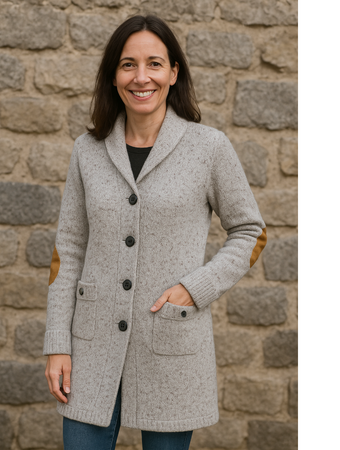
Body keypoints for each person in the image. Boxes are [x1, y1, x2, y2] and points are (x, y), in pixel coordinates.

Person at [43, 14, 267, 450]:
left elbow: (250, 231)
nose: (141, 77)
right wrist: (57, 343)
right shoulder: (88, 151)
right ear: (113, 75)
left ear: (173, 73)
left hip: (170, 343)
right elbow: (67, 250)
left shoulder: (208, 147)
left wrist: (195, 288)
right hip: (90, 347)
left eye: (154, 64)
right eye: (128, 64)